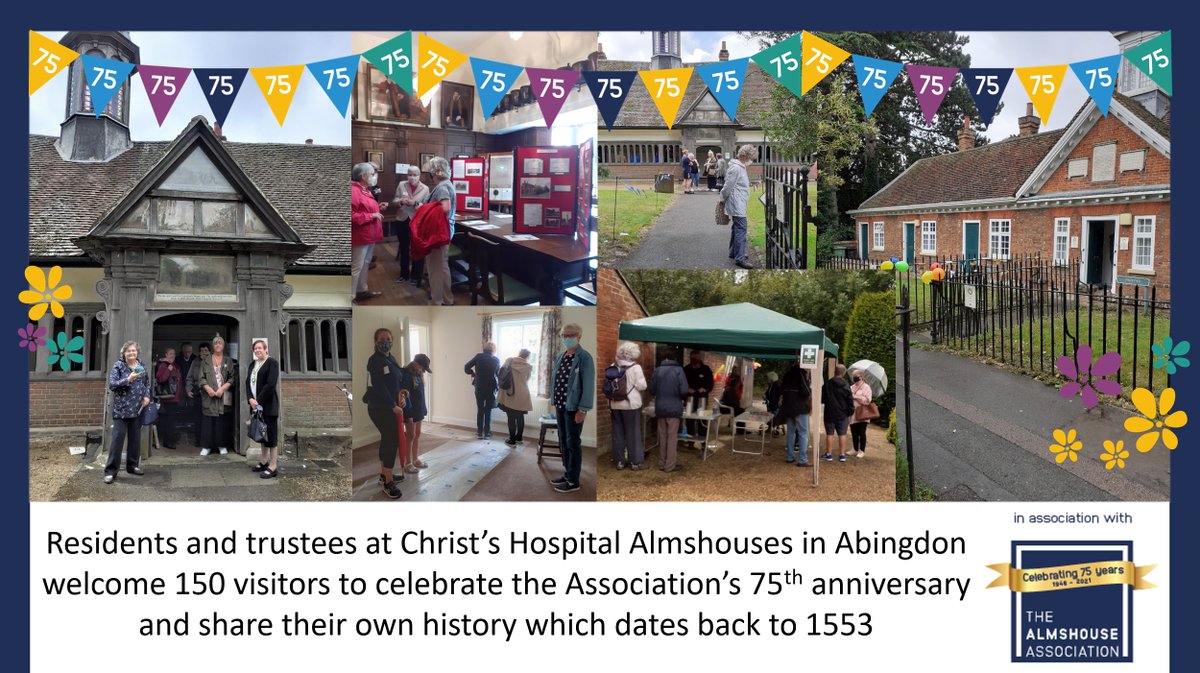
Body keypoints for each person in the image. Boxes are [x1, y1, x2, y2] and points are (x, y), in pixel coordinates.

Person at [550, 323, 594, 493]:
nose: (568, 338)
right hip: (560, 406)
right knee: (564, 441)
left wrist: (582, 409)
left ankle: (573, 481)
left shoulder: (584, 357)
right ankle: (568, 474)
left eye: (571, 335)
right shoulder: (561, 356)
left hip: (574, 408)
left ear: (579, 337)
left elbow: (588, 385)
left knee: (572, 443)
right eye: (565, 335)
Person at [104, 341, 151, 484]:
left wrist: (147, 395)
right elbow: (112, 385)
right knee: (117, 441)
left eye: (134, 351)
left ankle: (132, 466)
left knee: (135, 440)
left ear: (137, 352)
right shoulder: (118, 366)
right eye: (128, 351)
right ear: (124, 353)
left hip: (137, 409)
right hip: (122, 410)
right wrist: (127, 380)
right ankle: (110, 471)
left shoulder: (141, 366)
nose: (131, 353)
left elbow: (147, 383)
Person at [366, 329, 406, 498]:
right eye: (382, 339)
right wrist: (392, 405)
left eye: (388, 339)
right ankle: (388, 484)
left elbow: (397, 381)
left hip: (392, 406)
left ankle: (385, 475)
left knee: (387, 439)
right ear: (376, 341)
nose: (385, 341)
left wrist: (402, 397)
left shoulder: (391, 358)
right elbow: (380, 386)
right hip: (380, 408)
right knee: (391, 441)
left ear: (392, 340)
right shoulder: (374, 361)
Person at [648, 346, 688, 473]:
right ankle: (670, 465)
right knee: (672, 437)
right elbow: (684, 390)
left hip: (660, 407)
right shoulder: (678, 370)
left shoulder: (657, 370)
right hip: (674, 406)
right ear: (674, 357)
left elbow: (652, 390)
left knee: (663, 436)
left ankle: (661, 463)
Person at [609, 341, 648, 470]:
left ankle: (619, 461)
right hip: (630, 405)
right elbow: (642, 386)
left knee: (618, 434)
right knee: (633, 433)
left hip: (615, 404)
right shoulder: (635, 368)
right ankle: (635, 462)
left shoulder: (613, 366)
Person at [424, 156, 457, 306]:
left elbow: (445, 207)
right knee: (442, 266)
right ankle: (447, 298)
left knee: (435, 269)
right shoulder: (447, 184)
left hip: (438, 233)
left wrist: (424, 211)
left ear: (434, 172)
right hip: (444, 231)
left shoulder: (442, 187)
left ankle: (437, 301)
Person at [246, 339, 281, 479]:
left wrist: (257, 400)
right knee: (262, 435)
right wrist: (250, 399)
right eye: (255, 348)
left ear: (266, 349)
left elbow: (270, 385)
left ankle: (273, 466)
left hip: (268, 406)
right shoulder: (252, 364)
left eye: (260, 348)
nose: (257, 350)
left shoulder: (272, 363)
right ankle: (264, 461)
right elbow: (247, 383)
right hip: (256, 406)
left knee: (271, 436)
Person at [351, 162, 384, 303]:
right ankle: (351, 297)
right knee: (356, 267)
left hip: (369, 235)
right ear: (363, 176)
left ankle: (362, 290)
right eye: (372, 174)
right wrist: (371, 216)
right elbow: (351, 215)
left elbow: (364, 209)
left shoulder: (365, 189)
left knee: (365, 263)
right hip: (360, 236)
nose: (374, 176)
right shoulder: (353, 190)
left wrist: (378, 209)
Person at [391, 165, 430, 286]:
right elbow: (394, 201)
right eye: (409, 174)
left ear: (419, 176)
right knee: (403, 248)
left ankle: (415, 276)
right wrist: (401, 201)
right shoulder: (402, 184)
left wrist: (415, 203)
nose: (411, 177)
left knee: (417, 248)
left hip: (417, 221)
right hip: (402, 219)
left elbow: (426, 206)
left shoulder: (425, 188)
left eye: (414, 175)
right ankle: (404, 274)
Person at [198, 335, 235, 457]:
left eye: (220, 343)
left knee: (221, 422)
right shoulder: (206, 361)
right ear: (213, 346)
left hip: (222, 397)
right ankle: (206, 446)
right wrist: (208, 388)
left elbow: (232, 377)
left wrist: (223, 389)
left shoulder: (228, 361)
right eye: (215, 343)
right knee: (208, 422)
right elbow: (201, 378)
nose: (218, 345)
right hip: (209, 397)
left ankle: (222, 445)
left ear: (223, 346)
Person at [721, 144, 757, 269]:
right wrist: (723, 198)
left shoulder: (740, 167)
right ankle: (739, 258)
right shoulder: (736, 168)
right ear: (746, 156)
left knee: (736, 228)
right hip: (737, 203)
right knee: (741, 229)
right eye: (752, 157)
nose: (752, 160)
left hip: (739, 202)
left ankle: (734, 252)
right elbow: (727, 187)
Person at [400, 354, 432, 474]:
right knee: (410, 436)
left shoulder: (419, 375)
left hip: (419, 410)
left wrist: (424, 409)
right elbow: (406, 395)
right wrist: (408, 415)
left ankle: (415, 458)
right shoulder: (407, 376)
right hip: (411, 411)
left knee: (417, 434)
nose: (423, 371)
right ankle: (407, 463)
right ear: (417, 364)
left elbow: (421, 395)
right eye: (423, 368)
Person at [464, 342, 501, 439]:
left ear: (484, 349)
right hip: (491, 387)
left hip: (479, 386)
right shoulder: (496, 360)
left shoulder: (478, 357)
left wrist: (472, 373)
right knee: (488, 410)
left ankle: (479, 432)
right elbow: (498, 374)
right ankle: (487, 433)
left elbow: (466, 367)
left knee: (480, 409)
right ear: (493, 350)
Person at [779, 359, 812, 465]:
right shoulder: (801, 375)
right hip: (800, 409)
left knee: (790, 433)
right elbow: (806, 391)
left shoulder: (787, 375)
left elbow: (781, 390)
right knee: (803, 433)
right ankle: (802, 460)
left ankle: (789, 457)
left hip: (788, 408)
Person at [498, 349, 533, 446]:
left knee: (511, 417)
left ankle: (512, 440)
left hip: (510, 393)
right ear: (527, 357)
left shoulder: (509, 361)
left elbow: (501, 374)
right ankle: (519, 438)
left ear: (519, 353)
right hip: (523, 393)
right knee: (520, 417)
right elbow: (527, 380)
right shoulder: (528, 367)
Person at [822, 363, 855, 463]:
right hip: (843, 414)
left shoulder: (827, 384)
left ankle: (829, 454)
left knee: (829, 433)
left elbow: (822, 398)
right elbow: (850, 401)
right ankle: (842, 455)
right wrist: (849, 412)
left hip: (829, 412)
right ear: (844, 373)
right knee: (842, 434)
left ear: (834, 372)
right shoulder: (846, 385)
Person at [154, 348, 183, 450]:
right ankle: (168, 442)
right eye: (170, 353)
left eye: (174, 354)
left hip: (174, 398)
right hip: (168, 399)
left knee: (172, 420)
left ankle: (170, 440)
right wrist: (168, 370)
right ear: (166, 354)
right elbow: (160, 379)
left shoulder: (176, 366)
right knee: (169, 421)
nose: (172, 355)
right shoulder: (163, 365)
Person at [683, 350, 714, 439]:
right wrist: (687, 389)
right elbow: (682, 383)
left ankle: (703, 440)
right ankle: (690, 441)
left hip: (702, 399)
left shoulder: (706, 369)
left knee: (702, 420)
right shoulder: (686, 369)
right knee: (689, 420)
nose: (693, 360)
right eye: (692, 358)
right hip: (689, 399)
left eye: (695, 358)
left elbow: (710, 384)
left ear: (699, 358)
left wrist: (705, 389)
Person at [185, 342, 210, 444]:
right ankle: (198, 440)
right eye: (202, 351)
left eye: (206, 350)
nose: (204, 353)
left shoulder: (213, 361)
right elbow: (189, 377)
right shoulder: (195, 362)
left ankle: (207, 441)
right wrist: (188, 389)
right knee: (198, 418)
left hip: (210, 394)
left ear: (209, 351)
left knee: (208, 418)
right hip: (197, 392)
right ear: (199, 352)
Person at [849, 369, 873, 458]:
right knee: (854, 432)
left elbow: (868, 400)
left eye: (856, 376)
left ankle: (862, 450)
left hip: (863, 413)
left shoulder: (866, 387)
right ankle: (855, 449)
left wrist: (855, 397)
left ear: (861, 377)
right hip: (853, 413)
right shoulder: (852, 387)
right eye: (853, 376)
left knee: (862, 432)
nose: (854, 378)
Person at [764, 371, 782, 436]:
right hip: (771, 403)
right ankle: (770, 427)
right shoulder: (771, 384)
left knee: (774, 415)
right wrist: (765, 396)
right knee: (770, 415)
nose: (767, 379)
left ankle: (773, 428)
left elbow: (779, 394)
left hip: (775, 404)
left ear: (771, 378)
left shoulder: (777, 385)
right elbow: (768, 393)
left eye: (768, 378)